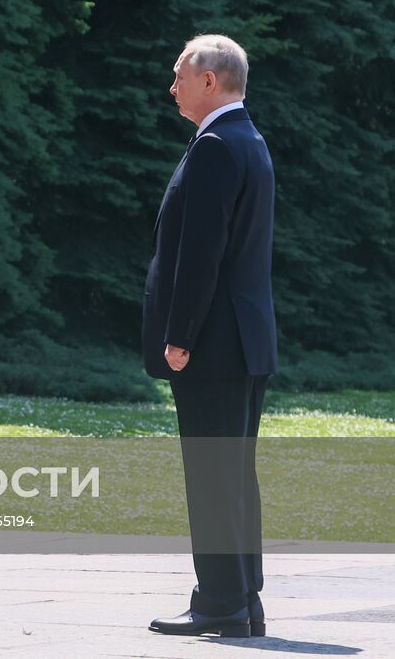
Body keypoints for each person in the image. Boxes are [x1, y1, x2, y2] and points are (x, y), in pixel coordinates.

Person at [143, 34, 277, 639]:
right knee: (232, 470)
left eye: (178, 75)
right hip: (244, 339)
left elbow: (202, 256)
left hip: (214, 342)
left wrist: (180, 335)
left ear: (209, 81)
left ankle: (220, 601)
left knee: (211, 470)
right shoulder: (247, 140)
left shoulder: (218, 146)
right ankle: (240, 597)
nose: (171, 86)